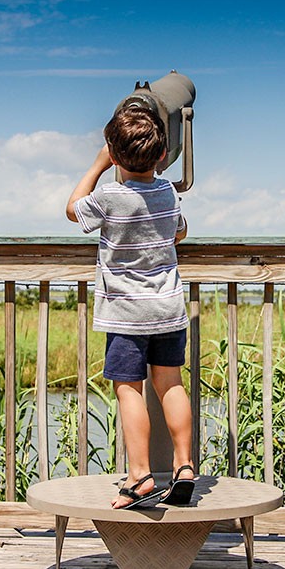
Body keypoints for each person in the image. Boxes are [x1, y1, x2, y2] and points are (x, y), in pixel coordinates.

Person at [65, 106, 197, 509]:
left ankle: (139, 476)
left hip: (126, 315)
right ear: (161, 155)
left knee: (129, 390)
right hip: (168, 309)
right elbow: (180, 231)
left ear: (115, 155)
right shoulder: (167, 193)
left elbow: (73, 209)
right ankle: (184, 466)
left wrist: (98, 164)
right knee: (171, 384)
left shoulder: (108, 196)